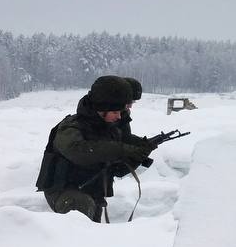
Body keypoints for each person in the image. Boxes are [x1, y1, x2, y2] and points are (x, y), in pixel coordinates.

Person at [35, 75, 154, 222]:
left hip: (92, 192)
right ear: (102, 109)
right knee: (81, 207)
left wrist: (138, 154)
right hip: (63, 191)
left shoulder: (109, 130)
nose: (119, 117)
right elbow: (78, 151)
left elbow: (117, 170)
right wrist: (120, 149)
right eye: (115, 112)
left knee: (93, 227)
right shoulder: (71, 126)